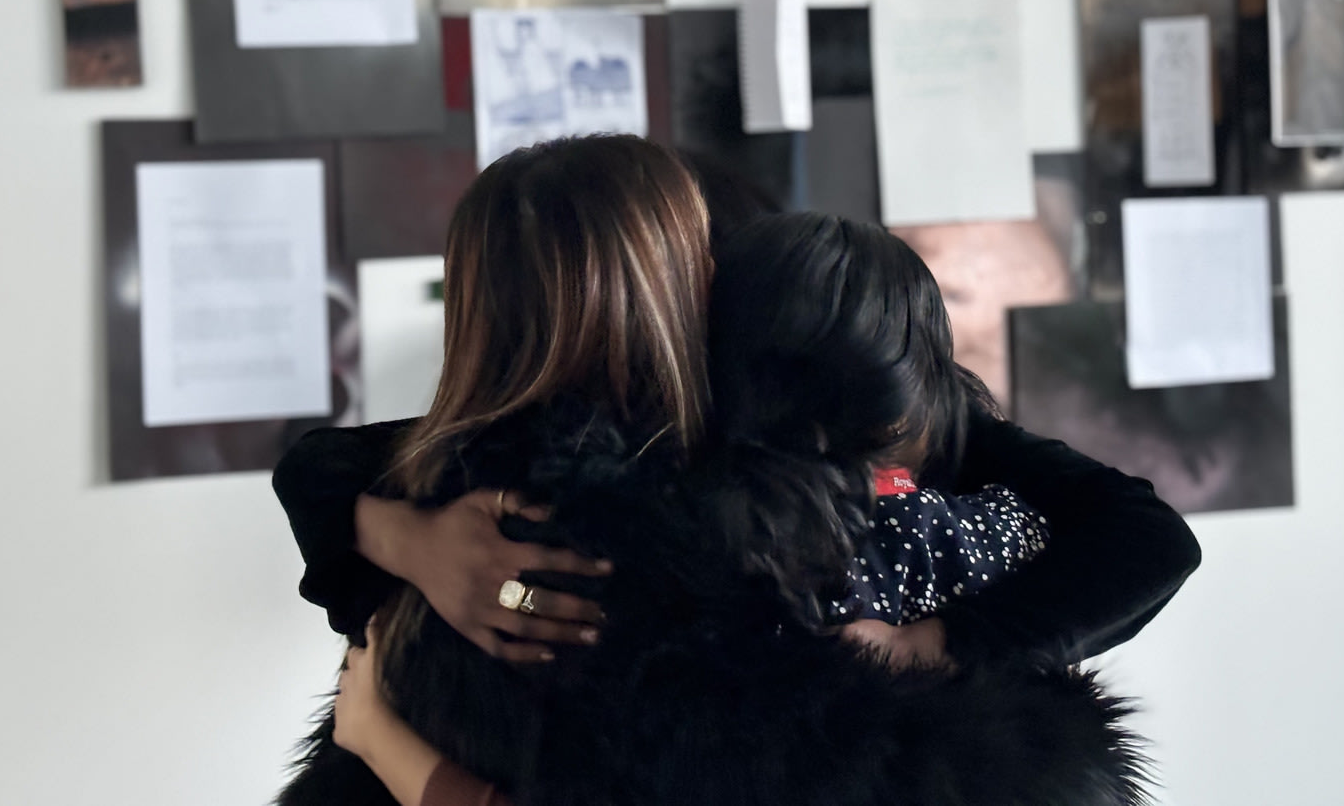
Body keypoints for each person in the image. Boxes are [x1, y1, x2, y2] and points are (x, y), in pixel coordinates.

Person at [276, 140, 1194, 805]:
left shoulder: (438, 476)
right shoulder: (669, 528)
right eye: (702, 249)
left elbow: (1142, 537)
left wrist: (393, 546)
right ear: (672, 286)